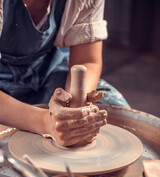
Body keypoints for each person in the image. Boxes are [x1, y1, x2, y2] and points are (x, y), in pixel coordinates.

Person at [0, 0, 128, 146]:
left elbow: (87, 60)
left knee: (115, 110)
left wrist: (75, 109)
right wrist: (45, 122)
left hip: (46, 70)